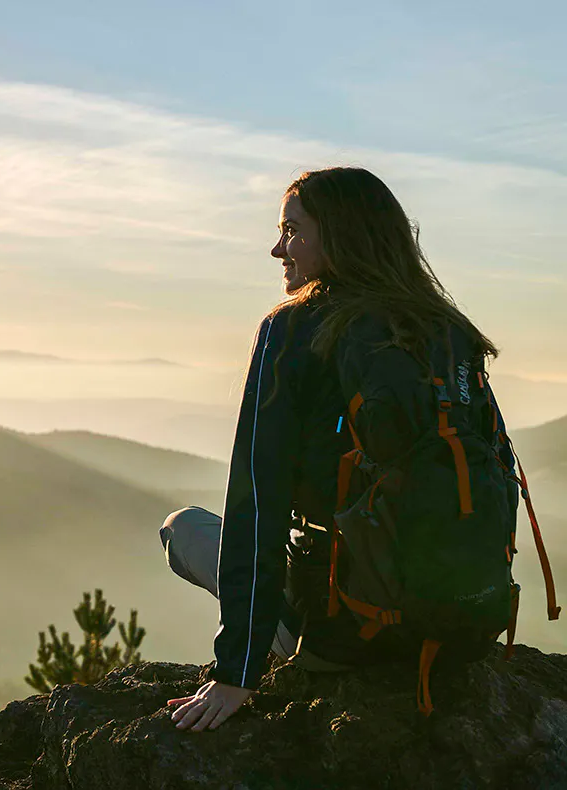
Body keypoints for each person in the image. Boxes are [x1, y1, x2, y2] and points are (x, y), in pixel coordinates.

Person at [160, 166, 507, 732]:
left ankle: (290, 640)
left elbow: (257, 502)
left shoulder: (292, 330)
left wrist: (236, 671)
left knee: (183, 530)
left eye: (292, 230)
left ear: (339, 234)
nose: (278, 248)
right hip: (457, 626)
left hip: (348, 634)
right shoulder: (450, 331)